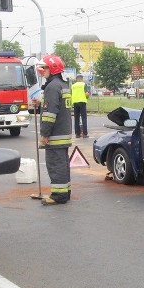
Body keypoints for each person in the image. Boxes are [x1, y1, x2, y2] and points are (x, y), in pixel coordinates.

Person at [32, 55, 72, 206]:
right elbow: (57, 106)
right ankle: (65, 192)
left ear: (52, 69)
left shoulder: (52, 87)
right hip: (64, 132)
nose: (42, 71)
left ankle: (58, 196)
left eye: (45, 68)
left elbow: (50, 114)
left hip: (55, 134)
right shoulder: (63, 84)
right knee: (62, 163)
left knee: (55, 164)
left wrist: (44, 133)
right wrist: (42, 103)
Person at [71, 74, 90, 138]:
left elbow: (70, 94)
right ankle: (84, 133)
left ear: (76, 79)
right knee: (84, 118)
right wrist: (87, 97)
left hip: (75, 103)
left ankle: (77, 134)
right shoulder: (84, 84)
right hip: (82, 102)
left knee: (76, 118)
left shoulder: (72, 86)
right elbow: (87, 94)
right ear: (82, 79)